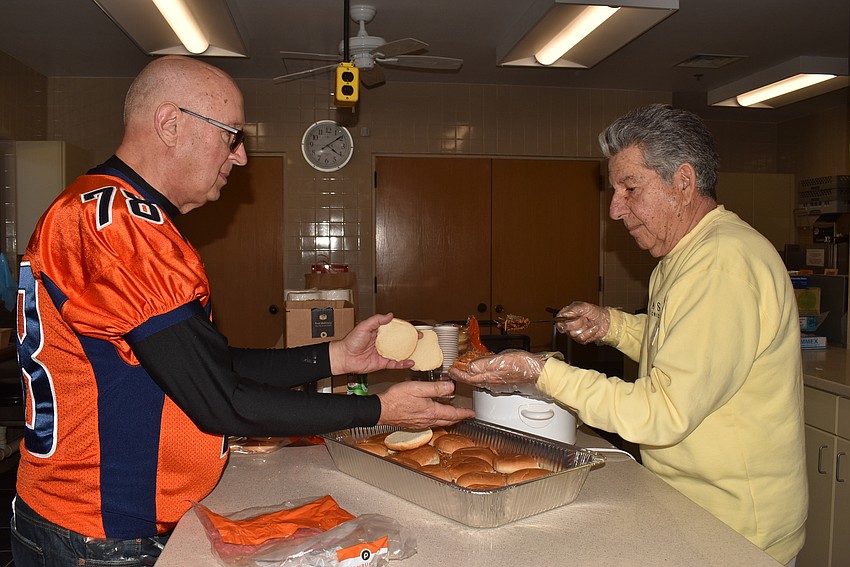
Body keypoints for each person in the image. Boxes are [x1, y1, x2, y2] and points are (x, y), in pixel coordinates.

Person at [11, 55, 475, 566]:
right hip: (97, 533)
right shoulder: (120, 228)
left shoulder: (111, 213)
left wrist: (335, 358)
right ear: (170, 124)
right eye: (231, 136)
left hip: (94, 523)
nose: (241, 157)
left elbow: (205, 369)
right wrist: (379, 410)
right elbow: (219, 400)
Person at [449, 104, 806, 566]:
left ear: (683, 182)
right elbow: (682, 344)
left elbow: (662, 411)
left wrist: (541, 372)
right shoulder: (686, 256)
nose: (615, 209)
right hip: (692, 509)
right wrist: (612, 325)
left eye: (630, 188)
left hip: (734, 531)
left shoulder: (721, 265)